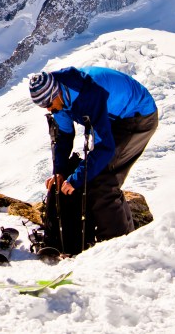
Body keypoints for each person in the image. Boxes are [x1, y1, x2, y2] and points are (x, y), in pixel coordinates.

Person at [29, 66, 158, 242]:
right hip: (112, 118)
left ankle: (119, 245)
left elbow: (105, 147)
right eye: (43, 106)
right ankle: (124, 232)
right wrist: (59, 172)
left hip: (137, 115)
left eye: (49, 104)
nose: (49, 109)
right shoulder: (60, 100)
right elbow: (64, 136)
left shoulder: (88, 94)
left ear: (56, 93)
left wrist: (76, 178)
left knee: (103, 178)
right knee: (94, 174)